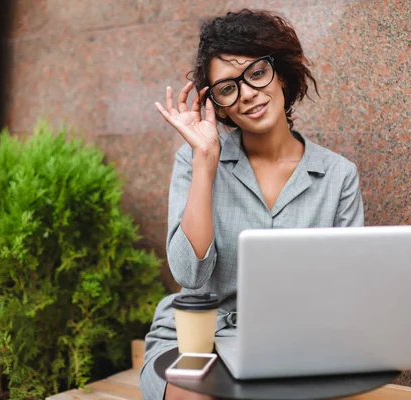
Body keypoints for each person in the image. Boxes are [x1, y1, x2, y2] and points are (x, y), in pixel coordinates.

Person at [139, 9, 364, 400]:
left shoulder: (338, 176)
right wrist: (205, 160)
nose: (247, 94)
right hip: (195, 336)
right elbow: (190, 275)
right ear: (219, 105)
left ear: (280, 73)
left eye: (256, 73)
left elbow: (345, 293)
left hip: (293, 341)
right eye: (228, 88)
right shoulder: (193, 160)